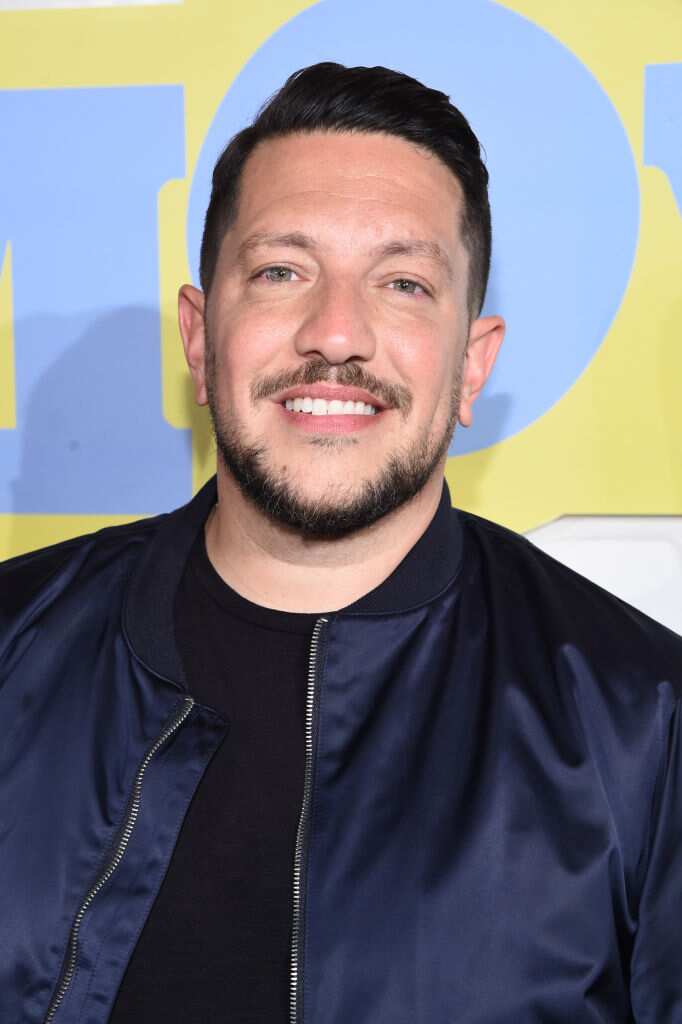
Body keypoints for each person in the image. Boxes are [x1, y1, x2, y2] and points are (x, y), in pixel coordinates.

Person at [1, 62, 680, 1024]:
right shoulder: (14, 646)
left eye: (402, 284)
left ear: (471, 364)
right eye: (282, 271)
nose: (336, 335)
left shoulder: (645, 726)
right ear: (200, 336)